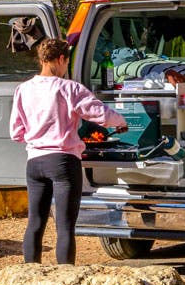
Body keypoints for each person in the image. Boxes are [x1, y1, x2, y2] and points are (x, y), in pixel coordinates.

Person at [9, 37, 127, 264]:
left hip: (34, 162)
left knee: (35, 222)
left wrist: (37, 137)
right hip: (63, 161)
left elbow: (16, 132)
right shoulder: (68, 88)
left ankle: (29, 275)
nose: (65, 69)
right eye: (66, 63)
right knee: (64, 227)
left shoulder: (23, 90)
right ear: (61, 59)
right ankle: (65, 277)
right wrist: (120, 121)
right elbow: (98, 112)